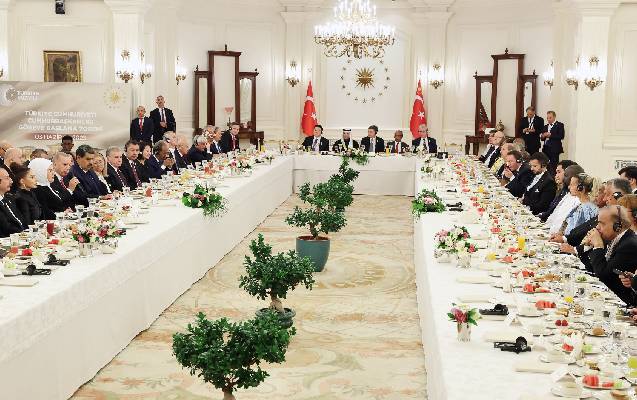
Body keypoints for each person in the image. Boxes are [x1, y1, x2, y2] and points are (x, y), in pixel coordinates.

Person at [585, 205, 637, 304]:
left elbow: (603, 276)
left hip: (622, 302)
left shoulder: (629, 245)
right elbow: (590, 267)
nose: (597, 227)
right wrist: (589, 245)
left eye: (602, 224)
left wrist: (598, 245)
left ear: (617, 226)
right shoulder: (613, 237)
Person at [552, 173, 599, 241]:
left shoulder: (588, 209)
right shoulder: (580, 205)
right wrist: (559, 235)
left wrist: (563, 239)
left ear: (581, 188)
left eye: (571, 184)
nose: (569, 187)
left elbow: (579, 234)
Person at [0, 167, 25, 237]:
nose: (11, 181)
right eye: (7, 178)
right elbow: (6, 228)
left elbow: (21, 221)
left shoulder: (9, 198)